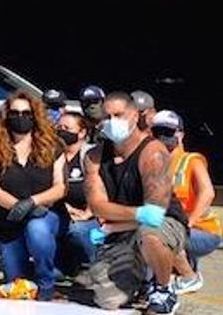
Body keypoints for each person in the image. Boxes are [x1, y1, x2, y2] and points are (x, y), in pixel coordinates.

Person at [84, 92, 189, 314]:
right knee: (107, 299)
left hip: (165, 224)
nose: (112, 122)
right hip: (126, 228)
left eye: (119, 115)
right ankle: (140, 279)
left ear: (134, 115)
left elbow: (156, 214)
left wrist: (113, 225)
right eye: (107, 116)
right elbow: (97, 205)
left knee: (150, 233)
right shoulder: (93, 156)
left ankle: (163, 288)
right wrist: (136, 216)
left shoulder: (153, 152)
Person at [0, 92, 67, 301]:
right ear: (6, 116)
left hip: (46, 213)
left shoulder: (53, 146)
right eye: (14, 113)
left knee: (36, 228)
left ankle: (47, 284)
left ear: (35, 115)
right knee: (16, 283)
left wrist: (33, 202)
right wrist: (19, 207)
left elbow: (60, 188)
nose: (20, 117)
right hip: (9, 219)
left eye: (26, 113)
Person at [153, 111, 218, 294]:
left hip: (201, 231)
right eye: (158, 133)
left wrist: (188, 222)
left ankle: (189, 276)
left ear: (180, 134)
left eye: (168, 132)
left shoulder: (191, 161)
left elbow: (208, 193)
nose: (162, 138)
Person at [57, 112, 100, 276]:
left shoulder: (91, 155)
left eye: (67, 128)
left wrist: (87, 213)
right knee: (55, 275)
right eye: (59, 127)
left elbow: (98, 187)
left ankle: (96, 267)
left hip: (92, 220)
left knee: (77, 231)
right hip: (62, 213)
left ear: (81, 133)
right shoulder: (53, 154)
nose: (61, 131)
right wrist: (65, 208)